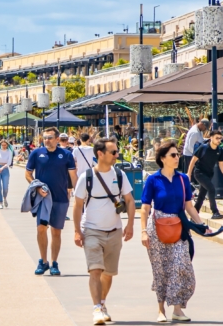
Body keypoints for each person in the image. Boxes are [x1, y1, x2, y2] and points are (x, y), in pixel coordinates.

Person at [141, 140, 220, 323]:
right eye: (173, 155)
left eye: (178, 155)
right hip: (157, 228)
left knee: (181, 266)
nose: (178, 158)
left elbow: (189, 207)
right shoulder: (153, 180)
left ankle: (177, 308)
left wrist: (201, 225)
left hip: (178, 227)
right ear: (163, 159)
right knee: (161, 270)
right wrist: (143, 231)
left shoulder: (182, 179)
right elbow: (145, 208)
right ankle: (161, 310)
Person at [72, 138, 135, 325]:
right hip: (91, 230)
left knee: (108, 273)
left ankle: (102, 302)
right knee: (95, 271)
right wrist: (77, 231)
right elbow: (77, 206)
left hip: (114, 230)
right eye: (113, 152)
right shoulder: (86, 177)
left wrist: (130, 224)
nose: (117, 155)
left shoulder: (120, 174)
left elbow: (130, 200)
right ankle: (96, 309)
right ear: (100, 154)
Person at [25, 127, 77, 276]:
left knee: (56, 231)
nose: (46, 140)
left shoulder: (66, 155)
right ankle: (43, 261)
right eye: (45, 138)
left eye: (49, 138)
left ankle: (54, 263)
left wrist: (80, 193)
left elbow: (73, 176)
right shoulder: (37, 153)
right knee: (41, 228)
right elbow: (28, 173)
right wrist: (36, 186)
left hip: (61, 198)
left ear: (57, 139)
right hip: (43, 198)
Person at [187, 130, 223, 220]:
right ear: (211, 138)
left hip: (209, 174)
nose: (219, 140)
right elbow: (193, 160)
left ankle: (194, 214)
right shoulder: (203, 148)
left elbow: (221, 164)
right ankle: (215, 212)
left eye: (220, 138)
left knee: (202, 195)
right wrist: (189, 174)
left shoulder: (219, 150)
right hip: (199, 173)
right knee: (211, 189)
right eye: (217, 138)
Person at [0, 140, 13, 208]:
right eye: (2, 145)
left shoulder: (9, 151)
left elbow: (9, 162)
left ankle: (4, 198)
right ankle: (0, 202)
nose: (4, 146)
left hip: (5, 169)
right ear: (0, 145)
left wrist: (3, 168)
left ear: (7, 145)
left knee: (5, 187)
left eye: (5, 145)